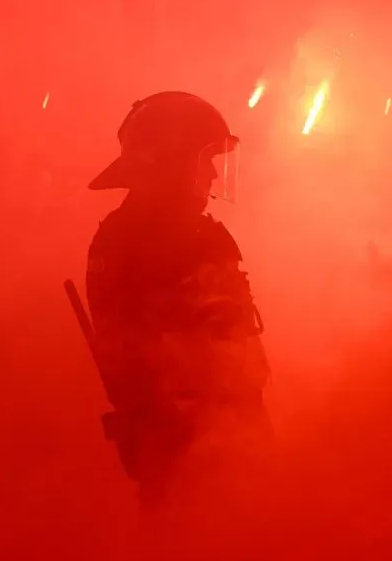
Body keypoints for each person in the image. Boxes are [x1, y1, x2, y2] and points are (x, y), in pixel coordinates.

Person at [84, 92, 271, 515]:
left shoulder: (136, 234)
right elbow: (195, 359)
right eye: (202, 159)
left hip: (199, 442)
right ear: (169, 162)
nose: (213, 175)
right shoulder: (158, 240)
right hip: (198, 450)